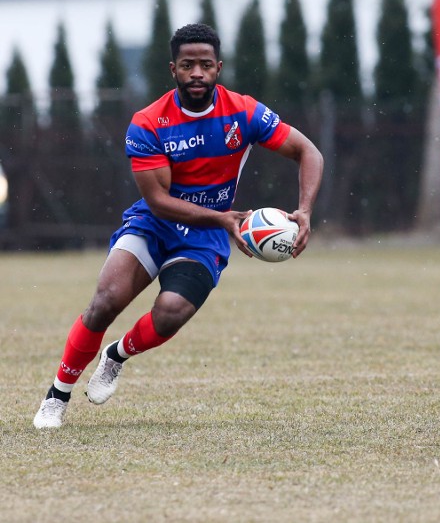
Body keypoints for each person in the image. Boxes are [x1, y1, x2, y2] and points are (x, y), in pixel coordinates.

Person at [33, 23, 324, 429]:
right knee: (105, 300)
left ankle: (117, 355)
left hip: (205, 235)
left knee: (170, 313)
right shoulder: (150, 123)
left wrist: (305, 210)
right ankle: (57, 395)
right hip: (155, 224)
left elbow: (307, 151)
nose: (197, 73)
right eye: (188, 65)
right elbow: (159, 201)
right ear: (173, 70)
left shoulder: (244, 112)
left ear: (218, 67)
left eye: (206, 65)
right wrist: (223, 218)